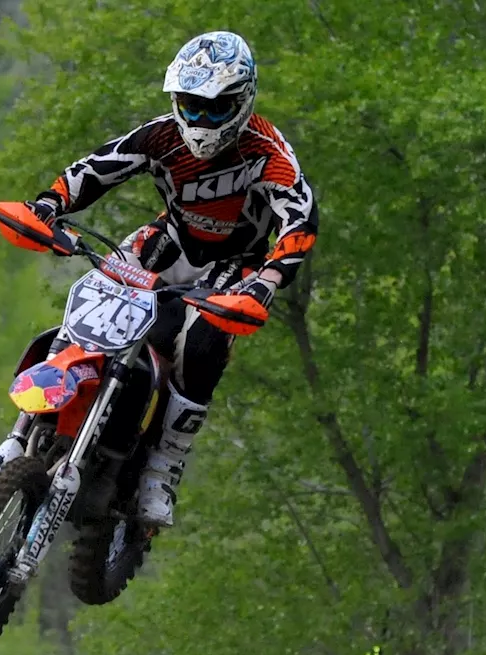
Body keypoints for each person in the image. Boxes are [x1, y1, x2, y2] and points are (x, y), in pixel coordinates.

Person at [24, 30, 319, 527]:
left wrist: (265, 283)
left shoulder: (269, 153)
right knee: (95, 305)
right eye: (190, 105)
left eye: (214, 108)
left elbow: (300, 223)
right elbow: (97, 168)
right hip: (168, 244)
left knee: (202, 344)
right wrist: (48, 206)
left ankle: (163, 466)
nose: (200, 121)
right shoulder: (160, 136)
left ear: (242, 102)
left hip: (235, 264)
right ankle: (46, 406)